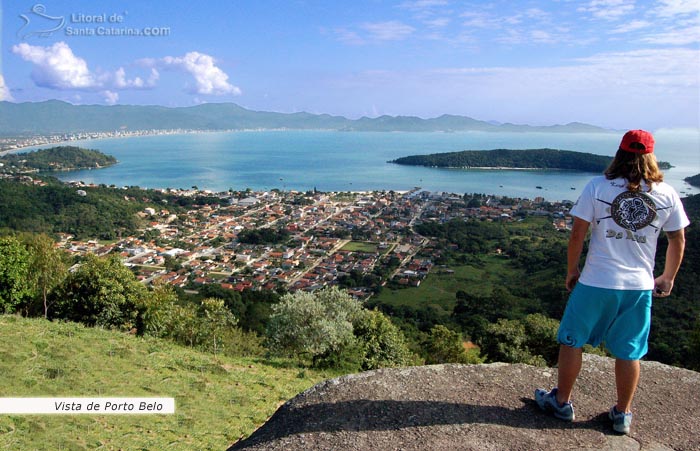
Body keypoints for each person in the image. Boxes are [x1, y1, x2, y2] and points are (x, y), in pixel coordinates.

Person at [534, 129, 690, 434]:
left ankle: (561, 401)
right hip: (638, 286)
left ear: (619, 153)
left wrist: (572, 270)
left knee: (572, 340)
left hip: (596, 281)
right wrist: (668, 277)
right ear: (651, 156)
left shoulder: (597, 187)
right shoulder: (667, 194)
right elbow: (677, 239)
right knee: (629, 350)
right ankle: (622, 414)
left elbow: (578, 233)